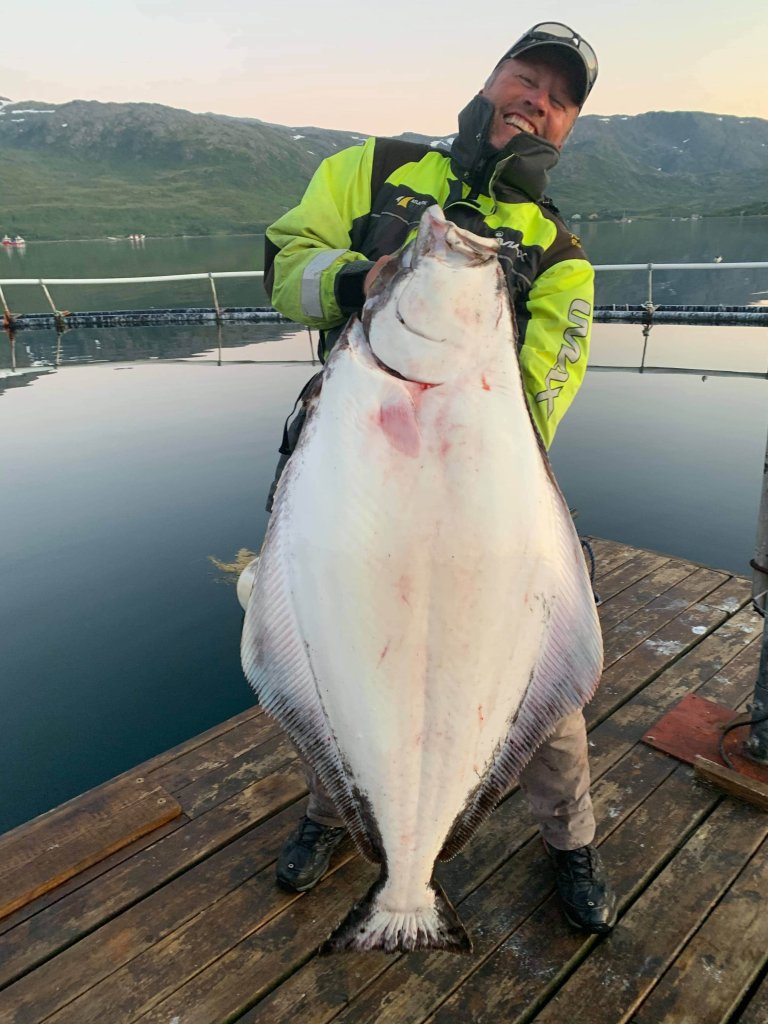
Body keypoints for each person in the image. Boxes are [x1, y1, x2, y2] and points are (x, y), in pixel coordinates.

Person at [261, 22, 617, 934]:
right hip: (356, 484)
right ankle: (334, 818)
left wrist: (464, 389)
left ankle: (571, 846)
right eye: (525, 75)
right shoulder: (372, 171)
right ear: (491, 80)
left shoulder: (564, 259)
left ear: (568, 125)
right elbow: (284, 267)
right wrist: (364, 280)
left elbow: (544, 393)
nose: (537, 96)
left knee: (551, 702)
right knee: (342, 658)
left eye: (559, 95)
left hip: (484, 505)